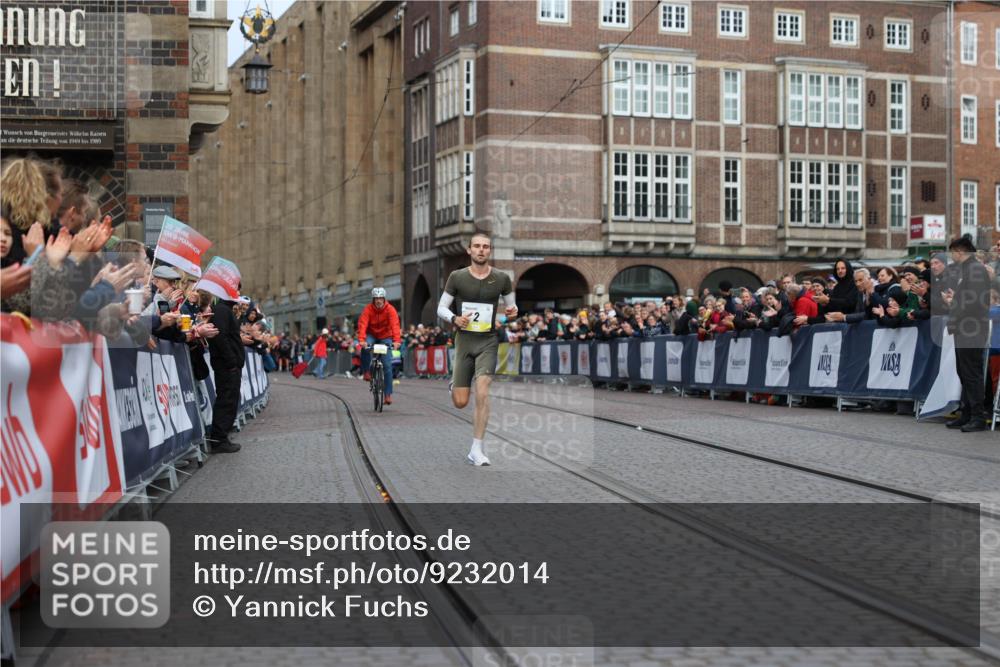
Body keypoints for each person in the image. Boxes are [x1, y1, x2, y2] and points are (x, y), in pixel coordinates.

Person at [436, 231, 516, 466]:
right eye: (477, 246)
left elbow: (512, 307)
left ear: (490, 251)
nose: (481, 250)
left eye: (486, 246)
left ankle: (476, 448)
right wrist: (454, 318)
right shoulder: (457, 277)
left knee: (483, 390)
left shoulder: (501, 278)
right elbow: (441, 307)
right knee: (461, 401)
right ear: (469, 250)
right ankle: (454, 384)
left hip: (488, 341)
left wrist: (513, 312)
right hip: (464, 341)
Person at [941, 235, 992, 432]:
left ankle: (978, 416)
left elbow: (976, 302)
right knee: (964, 372)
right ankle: (968, 413)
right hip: (965, 327)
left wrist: (953, 303)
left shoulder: (975, 269)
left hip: (972, 328)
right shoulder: (969, 269)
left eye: (952, 252)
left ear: (959, 251)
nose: (951, 256)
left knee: (972, 373)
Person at [201, 290, 244, 453]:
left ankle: (222, 437)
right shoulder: (222, 310)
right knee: (226, 399)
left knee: (230, 399)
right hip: (226, 366)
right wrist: (232, 361)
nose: (238, 294)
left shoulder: (225, 310)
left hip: (229, 365)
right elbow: (220, 337)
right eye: (235, 291)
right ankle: (219, 440)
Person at [357, 287, 402, 405]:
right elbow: (363, 324)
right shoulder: (368, 309)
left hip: (385, 336)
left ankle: (387, 394)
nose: (378, 301)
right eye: (376, 298)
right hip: (371, 334)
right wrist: (362, 340)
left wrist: (396, 341)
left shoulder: (390, 310)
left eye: (380, 298)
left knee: (387, 366)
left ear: (384, 299)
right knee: (365, 347)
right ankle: (366, 371)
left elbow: (395, 325)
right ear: (373, 299)